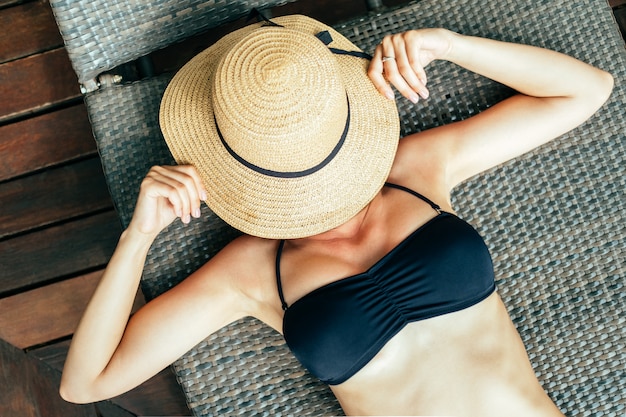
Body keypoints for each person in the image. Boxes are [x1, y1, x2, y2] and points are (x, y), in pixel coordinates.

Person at [59, 14, 613, 416]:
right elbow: (86, 384)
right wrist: (139, 236)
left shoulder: (414, 170)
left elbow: (587, 91)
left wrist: (449, 43)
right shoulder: (250, 271)